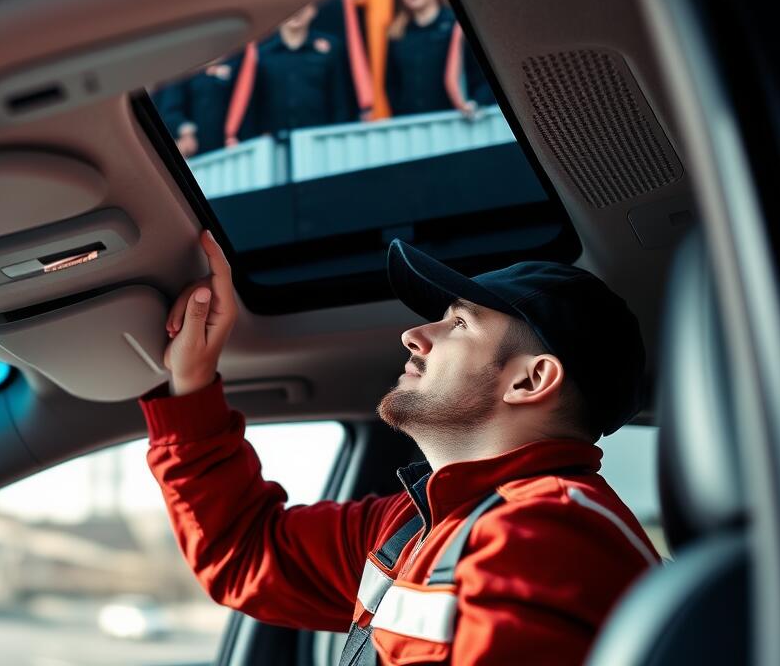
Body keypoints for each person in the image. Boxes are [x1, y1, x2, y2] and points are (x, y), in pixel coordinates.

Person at [142, 231, 659, 665]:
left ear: (530, 381)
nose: (414, 333)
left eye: (459, 323)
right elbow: (246, 552)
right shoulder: (415, 525)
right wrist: (191, 381)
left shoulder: (544, 536)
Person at [243, 3, 358, 138]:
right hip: (276, 142)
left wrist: (339, 136)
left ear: (313, 10)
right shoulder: (261, 55)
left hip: (322, 138)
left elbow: (341, 99)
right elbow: (253, 105)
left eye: (302, 5)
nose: (295, 11)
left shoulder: (330, 49)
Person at [384, 0, 461, 116]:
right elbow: (391, 82)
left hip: (457, 116)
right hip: (413, 122)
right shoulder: (397, 33)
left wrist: (474, 102)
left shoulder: (455, 25)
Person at [154, 54, 245, 157]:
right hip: (202, 151)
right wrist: (186, 132)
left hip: (243, 144)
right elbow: (171, 110)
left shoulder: (244, 58)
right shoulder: (185, 66)